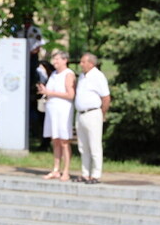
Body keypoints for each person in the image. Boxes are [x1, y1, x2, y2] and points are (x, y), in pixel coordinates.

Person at [37, 51, 75, 181]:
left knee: (64, 141)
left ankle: (66, 170)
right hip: (52, 110)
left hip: (63, 110)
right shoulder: (53, 74)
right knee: (55, 140)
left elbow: (70, 95)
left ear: (65, 60)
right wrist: (44, 91)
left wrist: (50, 92)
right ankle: (56, 169)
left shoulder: (68, 74)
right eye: (54, 59)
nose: (55, 62)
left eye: (57, 59)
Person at [74, 53, 111, 184]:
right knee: (83, 146)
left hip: (93, 113)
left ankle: (96, 174)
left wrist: (102, 113)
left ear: (91, 63)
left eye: (83, 62)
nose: (81, 64)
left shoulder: (98, 76)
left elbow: (106, 97)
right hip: (81, 114)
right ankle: (85, 173)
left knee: (94, 145)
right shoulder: (82, 77)